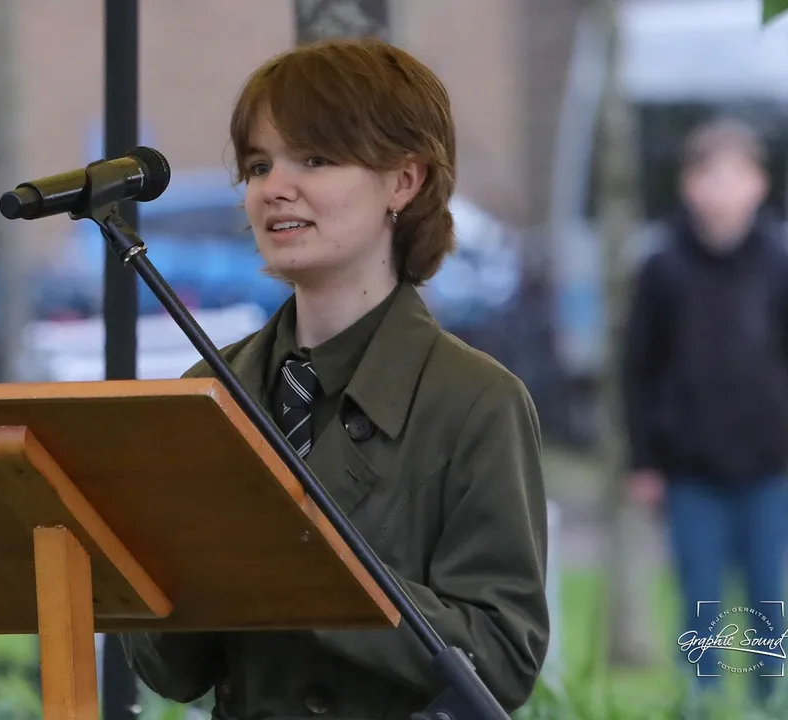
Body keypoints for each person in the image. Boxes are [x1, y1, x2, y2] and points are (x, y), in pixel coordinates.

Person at [120, 38, 551, 718]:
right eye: (259, 165)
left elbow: (501, 659)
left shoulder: (476, 402)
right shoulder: (210, 389)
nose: (275, 187)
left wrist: (308, 577)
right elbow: (174, 673)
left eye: (315, 159)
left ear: (404, 182)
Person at [621, 118, 788, 710]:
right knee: (701, 598)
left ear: (759, 185)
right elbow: (639, 369)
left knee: (768, 597)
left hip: (765, 468)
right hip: (690, 471)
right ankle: (699, 698)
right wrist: (645, 460)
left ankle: (773, 699)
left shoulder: (781, 265)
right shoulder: (662, 269)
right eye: (710, 174)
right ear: (689, 185)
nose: (723, 187)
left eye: (737, 173)